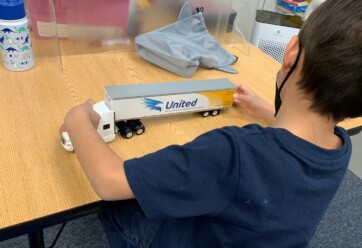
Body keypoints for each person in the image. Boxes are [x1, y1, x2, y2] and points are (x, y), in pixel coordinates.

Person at [59, 0, 362, 247]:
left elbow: (110, 182)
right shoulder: (339, 146)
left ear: (291, 52)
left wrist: (77, 118)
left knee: (117, 206)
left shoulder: (233, 153)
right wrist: (268, 112)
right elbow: (297, 145)